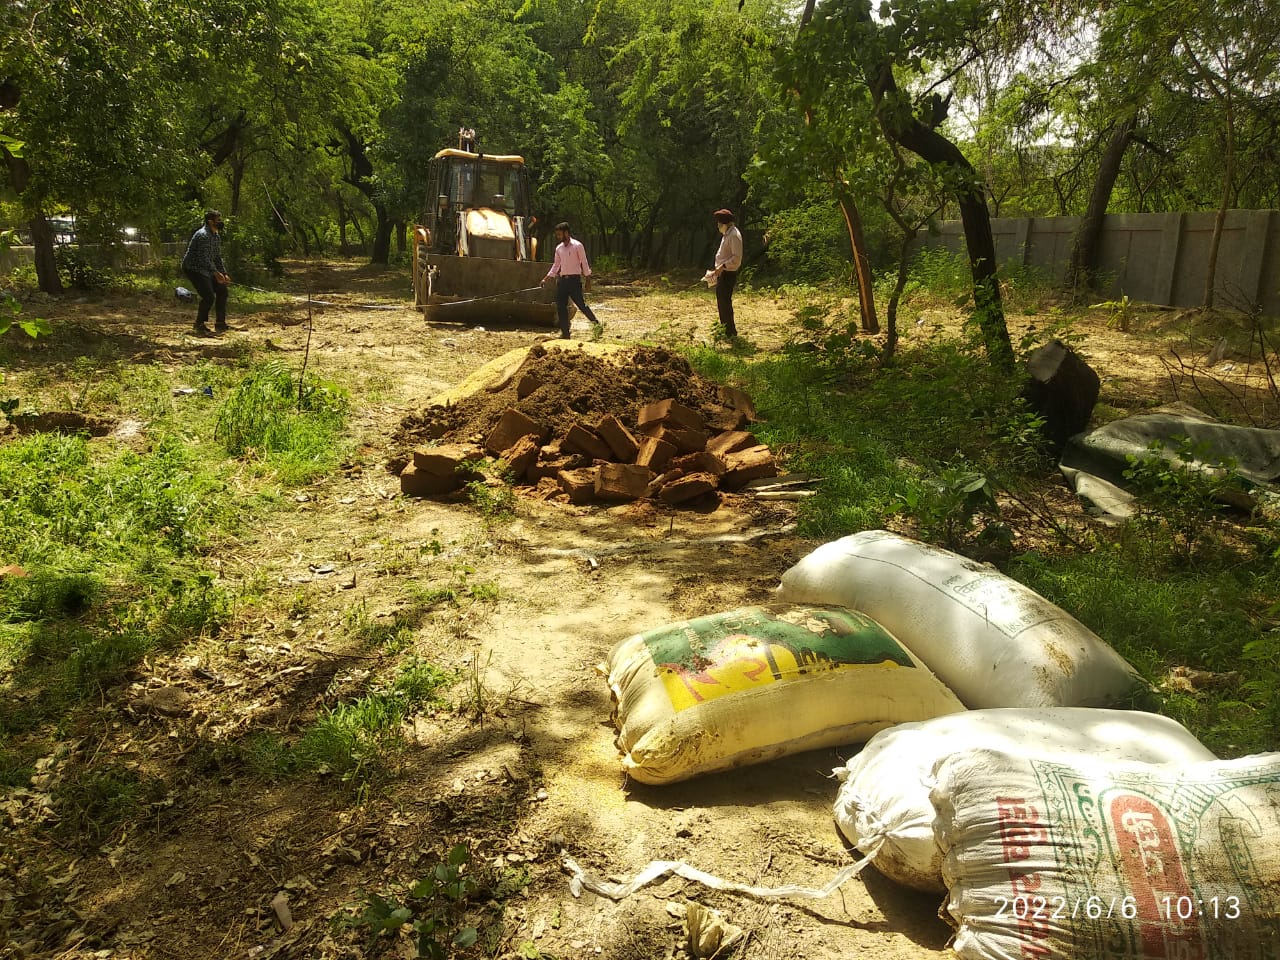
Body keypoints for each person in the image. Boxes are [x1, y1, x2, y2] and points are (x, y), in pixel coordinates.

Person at [540, 221, 600, 339]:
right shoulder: (559, 248)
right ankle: (565, 333)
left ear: (566, 233)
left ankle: (597, 325)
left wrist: (588, 280)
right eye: (557, 234)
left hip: (574, 281)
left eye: (560, 234)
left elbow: (584, 263)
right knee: (561, 306)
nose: (558, 237)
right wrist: (545, 279)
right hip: (562, 281)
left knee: (581, 305)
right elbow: (556, 265)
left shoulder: (578, 246)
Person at [181, 210, 231, 336]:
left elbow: (217, 257)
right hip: (194, 268)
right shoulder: (203, 235)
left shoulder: (216, 236)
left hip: (206, 268)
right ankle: (199, 324)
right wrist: (216, 273)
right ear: (210, 221)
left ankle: (220, 323)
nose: (220, 222)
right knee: (208, 296)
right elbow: (204, 258)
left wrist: (223, 273)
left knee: (222, 291)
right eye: (218, 220)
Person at [711, 208, 743, 339]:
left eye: (719, 223)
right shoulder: (727, 234)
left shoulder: (734, 235)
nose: (718, 225)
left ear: (725, 223)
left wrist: (723, 266)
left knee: (725, 303)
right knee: (722, 302)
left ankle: (730, 332)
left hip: (728, 273)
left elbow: (737, 258)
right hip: (722, 272)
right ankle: (725, 329)